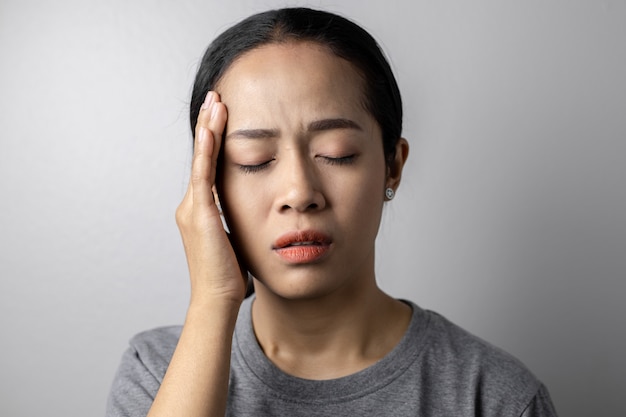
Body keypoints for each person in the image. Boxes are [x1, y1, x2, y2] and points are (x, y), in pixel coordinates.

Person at [106, 7, 558, 417]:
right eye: (254, 159)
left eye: (335, 152)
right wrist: (212, 301)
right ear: (212, 187)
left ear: (392, 166)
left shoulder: (496, 397)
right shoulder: (156, 374)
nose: (299, 192)